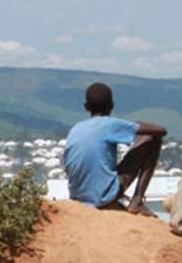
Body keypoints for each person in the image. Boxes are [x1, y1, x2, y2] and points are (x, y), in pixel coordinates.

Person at [64, 82, 166, 214]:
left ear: (86, 106)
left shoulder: (75, 129)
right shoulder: (110, 124)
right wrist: (133, 125)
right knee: (153, 139)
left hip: (77, 197)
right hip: (104, 197)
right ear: (112, 106)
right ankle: (137, 201)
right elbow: (161, 130)